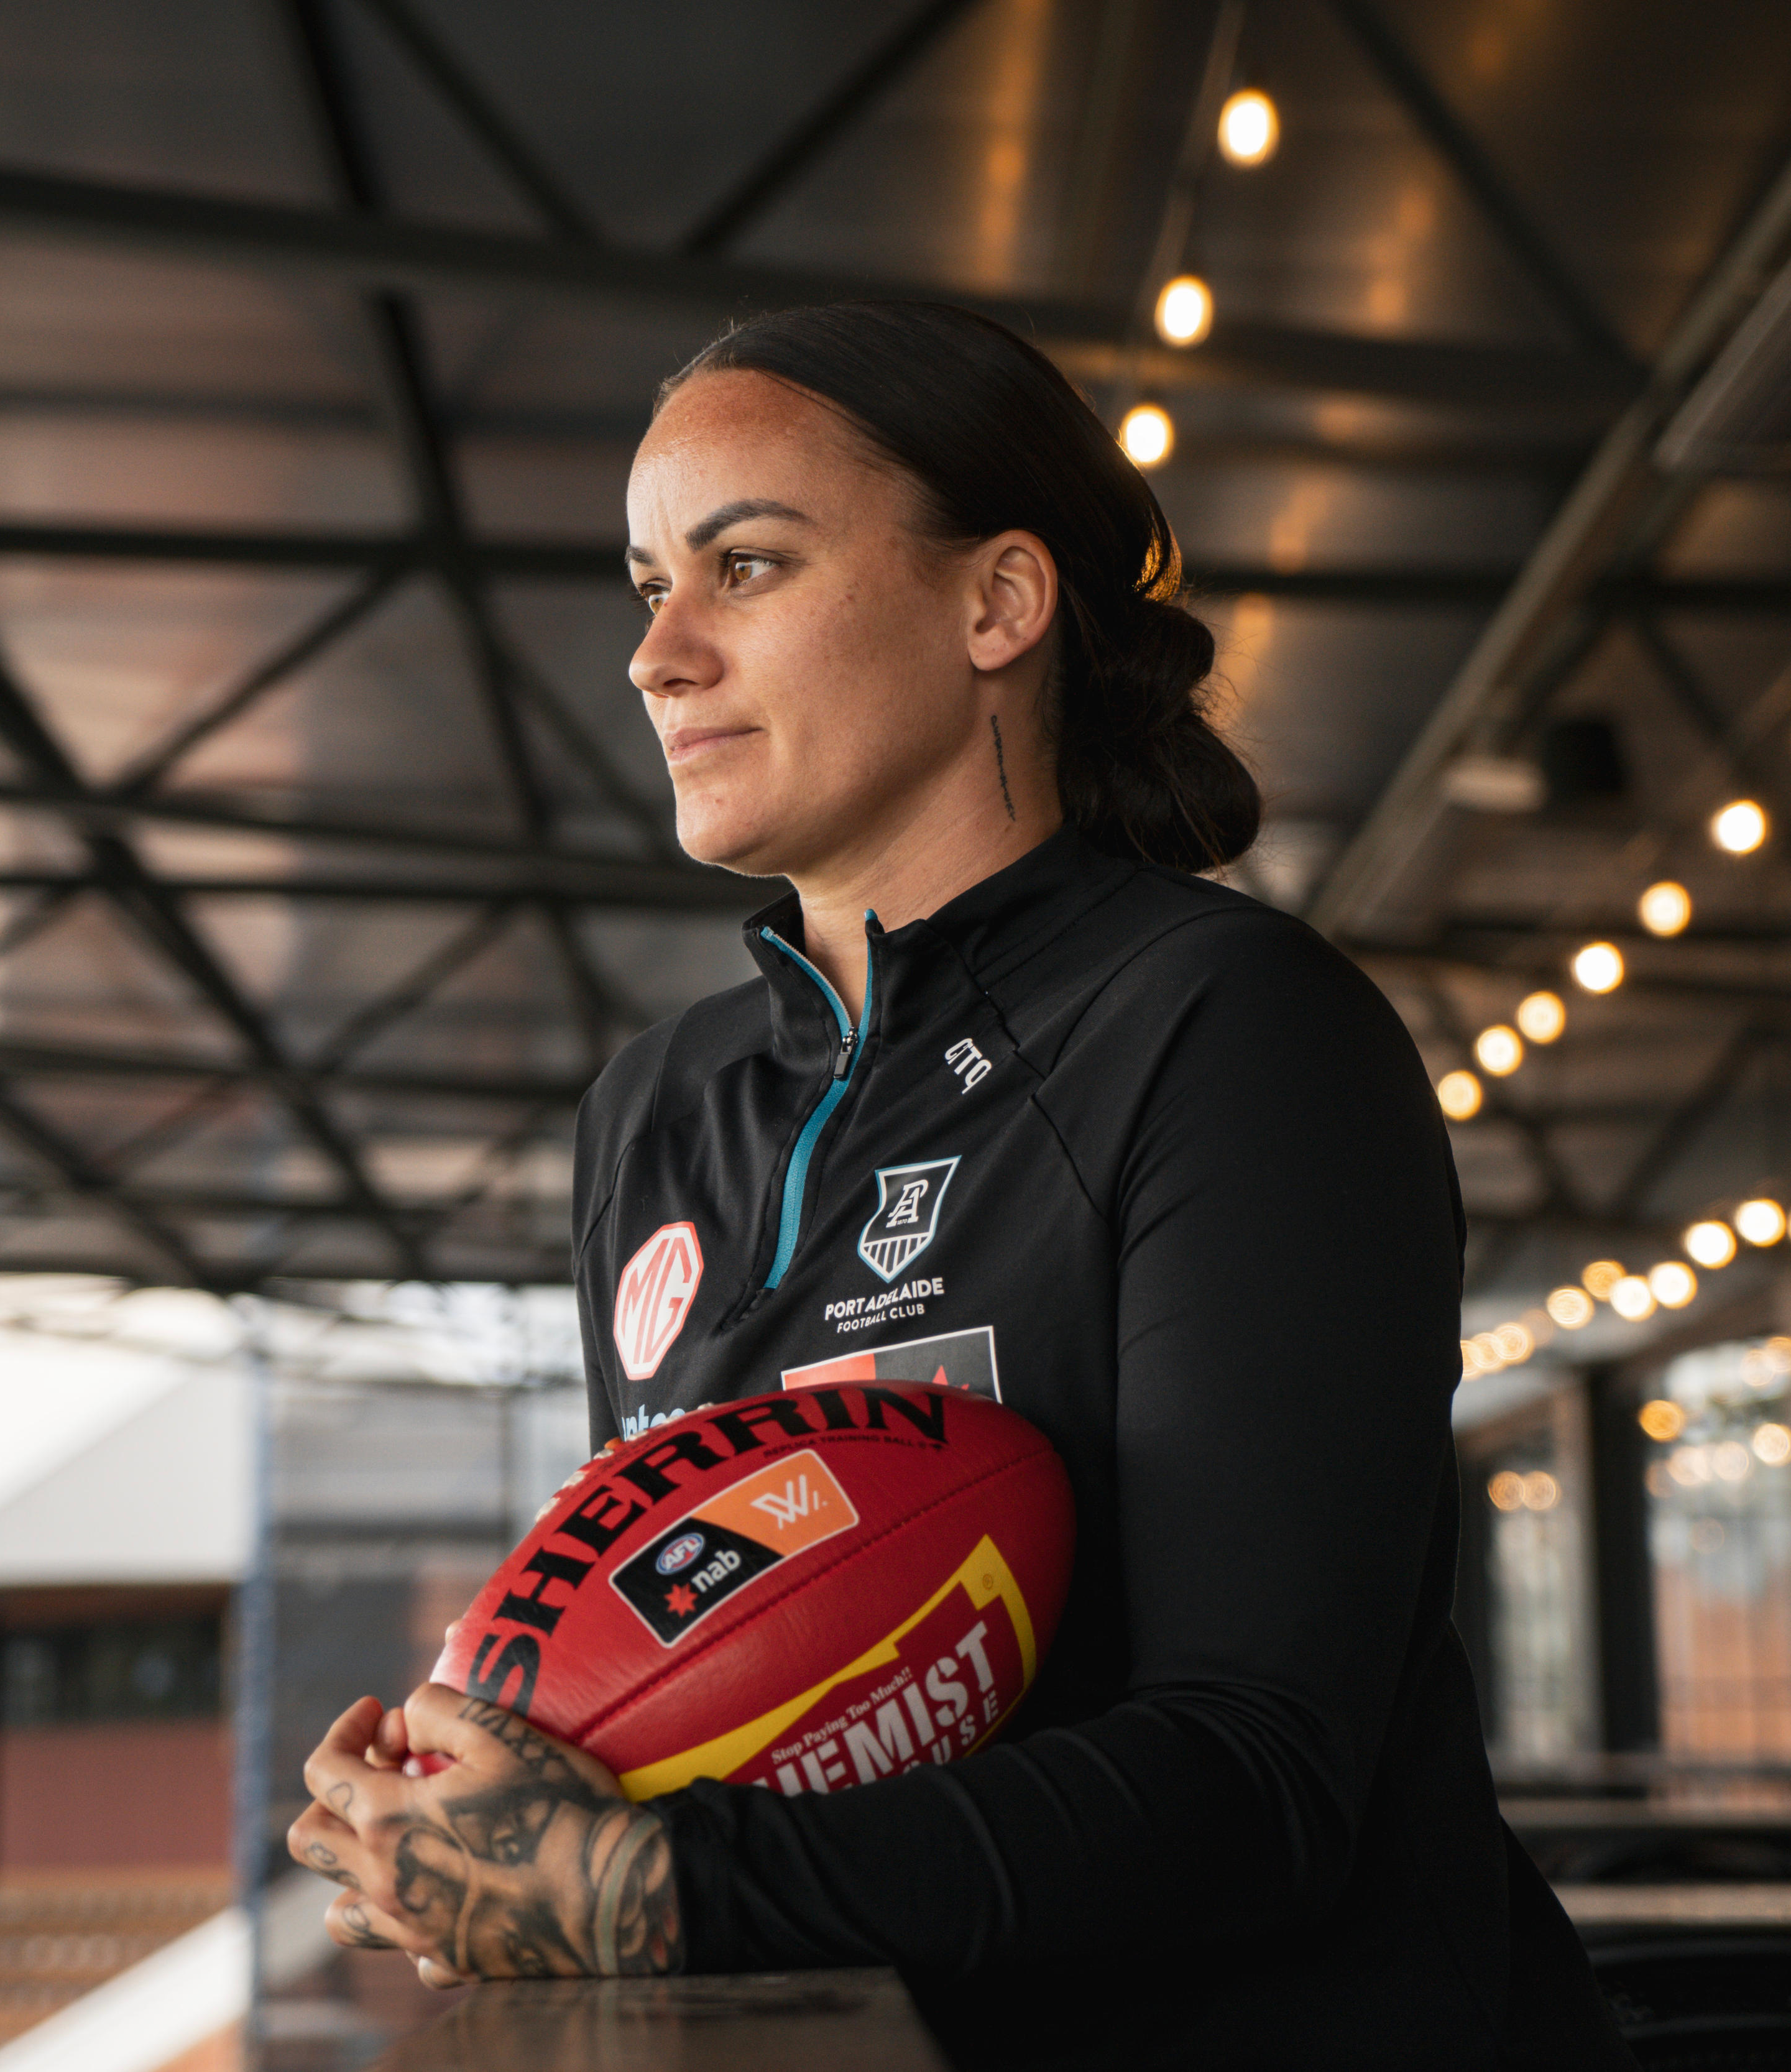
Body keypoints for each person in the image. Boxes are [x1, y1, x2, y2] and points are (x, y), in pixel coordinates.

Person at [286, 300, 1631, 2070]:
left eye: (743, 567)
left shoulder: (1227, 1030)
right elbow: (719, 1655)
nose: (658, 656)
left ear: (999, 603)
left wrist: (649, 1887)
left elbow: (1258, 1777)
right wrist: (491, 1794)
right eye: (644, 588)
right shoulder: (658, 1109)